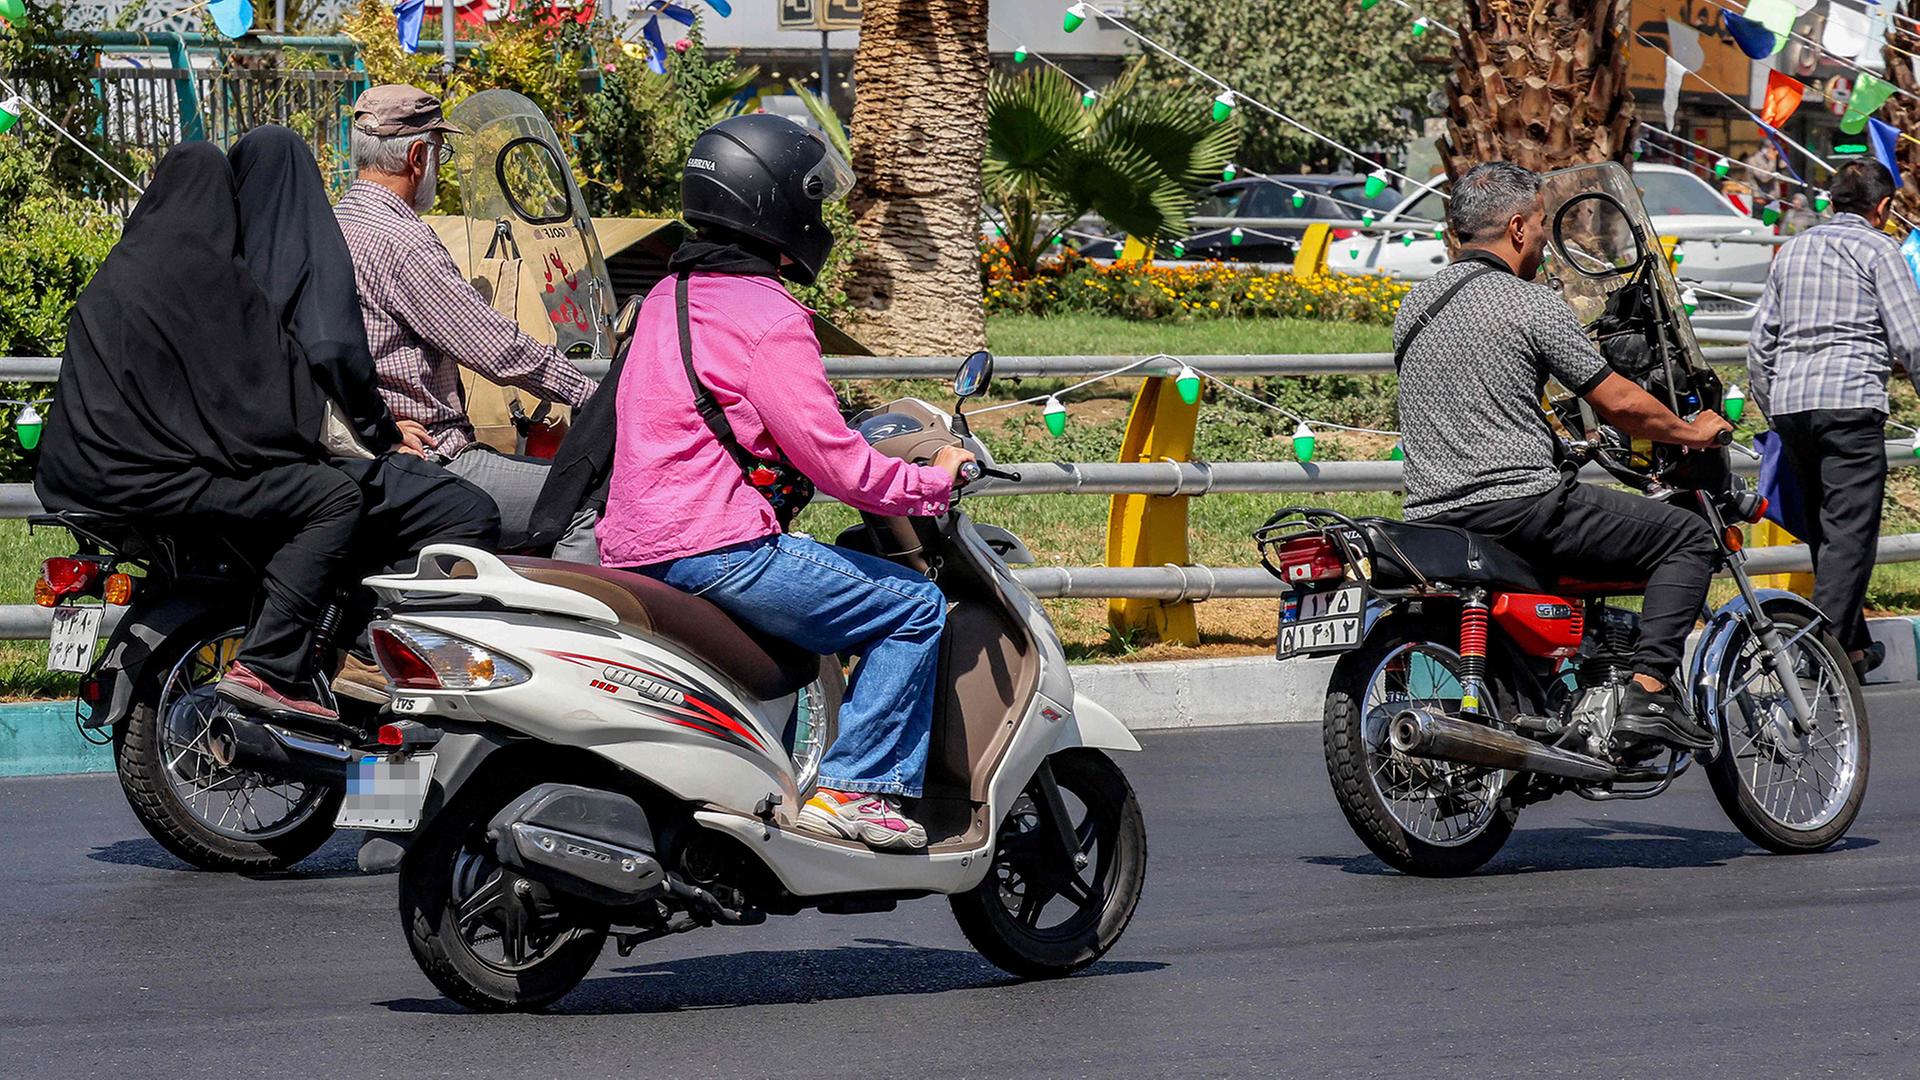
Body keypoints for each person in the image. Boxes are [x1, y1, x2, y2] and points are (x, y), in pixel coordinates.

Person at [598, 115, 974, 851]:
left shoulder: (669, 294)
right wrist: (931, 481)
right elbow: (839, 466)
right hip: (718, 547)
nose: (820, 214)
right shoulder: (769, 316)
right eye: (814, 198)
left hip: (636, 545)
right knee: (912, 606)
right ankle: (856, 789)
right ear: (776, 202)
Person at [1394, 162, 1733, 753]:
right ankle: (1649, 694)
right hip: (1520, 508)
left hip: (1433, 517)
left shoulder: (1415, 306)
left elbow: (1476, 401)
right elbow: (1618, 402)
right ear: (1518, 228)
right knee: (1687, 537)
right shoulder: (1530, 304)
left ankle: (1551, 702)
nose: (1546, 239)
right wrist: (1691, 431)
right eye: (1542, 224)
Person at [34, 142, 359, 727]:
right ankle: (268, 666)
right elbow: (259, 408)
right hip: (153, 484)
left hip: (77, 484)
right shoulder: (208, 280)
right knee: (335, 497)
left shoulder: (113, 275)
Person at [227, 125, 502, 701]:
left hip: (236, 463)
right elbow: (335, 351)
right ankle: (380, 653)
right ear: (419, 156)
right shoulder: (366, 243)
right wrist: (381, 431)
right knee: (471, 511)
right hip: (327, 455)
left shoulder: (226, 258)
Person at [333, 85, 599, 558]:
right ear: (418, 157)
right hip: (436, 458)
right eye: (441, 150)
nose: (440, 163)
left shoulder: (335, 221)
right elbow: (497, 348)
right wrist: (595, 396)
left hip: (377, 449)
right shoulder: (403, 242)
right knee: (590, 501)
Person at [1747, 160, 1920, 678]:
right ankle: (1819, 650)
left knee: (1827, 530)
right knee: (1850, 535)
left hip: (1792, 405)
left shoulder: (1794, 249)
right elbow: (1911, 340)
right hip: (1850, 403)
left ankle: (1853, 649)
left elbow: (1760, 345)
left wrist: (1774, 409)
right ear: (1883, 207)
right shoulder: (1880, 249)